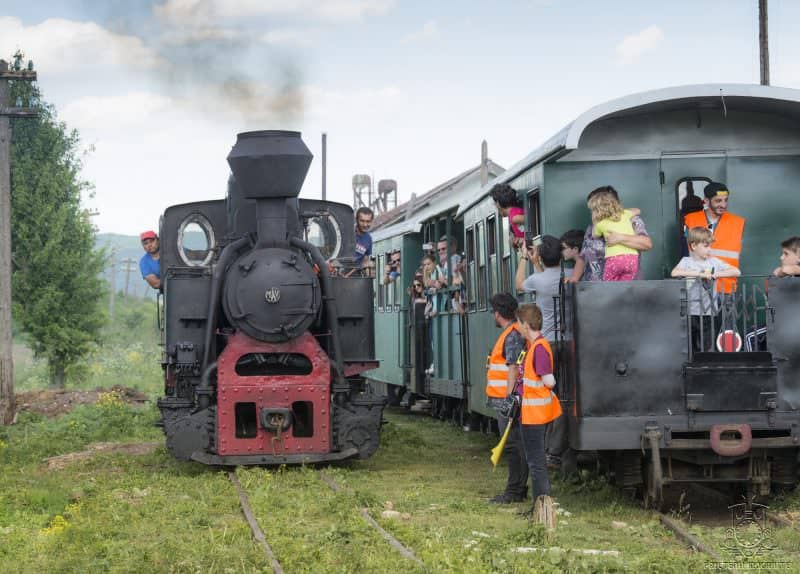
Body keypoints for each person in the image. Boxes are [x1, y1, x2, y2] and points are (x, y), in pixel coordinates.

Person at [515, 303, 562, 508]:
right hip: (532, 413)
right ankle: (539, 506)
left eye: (519, 323)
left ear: (526, 325)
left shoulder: (539, 348)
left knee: (536, 463)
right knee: (535, 462)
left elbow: (549, 380)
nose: (517, 328)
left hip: (535, 415)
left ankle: (541, 507)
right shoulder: (536, 347)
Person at [486, 293, 529, 504]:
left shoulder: (511, 335)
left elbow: (513, 367)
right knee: (514, 444)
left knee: (513, 445)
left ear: (498, 313)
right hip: (505, 398)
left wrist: (510, 399)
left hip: (507, 400)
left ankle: (514, 491)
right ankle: (517, 488)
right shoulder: (511, 333)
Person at [671, 227, 740, 352]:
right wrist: (699, 274)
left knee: (706, 346)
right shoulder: (686, 261)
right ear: (694, 246)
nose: (710, 249)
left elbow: (736, 271)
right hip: (689, 311)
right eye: (706, 246)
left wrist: (716, 274)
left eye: (710, 246)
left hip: (708, 311)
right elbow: (674, 273)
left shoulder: (714, 262)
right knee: (690, 345)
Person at [567, 186, 652, 283]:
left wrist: (620, 238)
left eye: (596, 208)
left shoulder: (631, 220)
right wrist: (574, 277)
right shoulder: (592, 228)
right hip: (594, 290)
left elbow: (647, 244)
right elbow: (583, 257)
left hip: (626, 289)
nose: (593, 213)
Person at [684, 182, 745, 293]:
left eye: (726, 200)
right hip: (698, 287)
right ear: (706, 201)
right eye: (718, 201)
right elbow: (684, 253)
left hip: (726, 287)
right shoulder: (690, 220)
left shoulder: (737, 222)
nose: (723, 205)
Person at [515, 235, 562, 342]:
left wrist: (524, 256)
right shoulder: (572, 274)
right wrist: (536, 263)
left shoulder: (537, 280)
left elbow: (519, 285)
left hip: (547, 338)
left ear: (541, 257)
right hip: (570, 338)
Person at [589, 192, 640, 281]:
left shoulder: (600, 224)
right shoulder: (625, 214)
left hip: (614, 259)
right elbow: (637, 210)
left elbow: (594, 235)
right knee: (624, 286)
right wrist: (620, 211)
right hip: (633, 259)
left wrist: (595, 221)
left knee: (610, 285)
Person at [490, 183, 525, 249]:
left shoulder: (514, 218)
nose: (495, 206)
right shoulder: (513, 214)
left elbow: (531, 219)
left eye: (494, 203)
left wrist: (524, 238)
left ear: (498, 203)